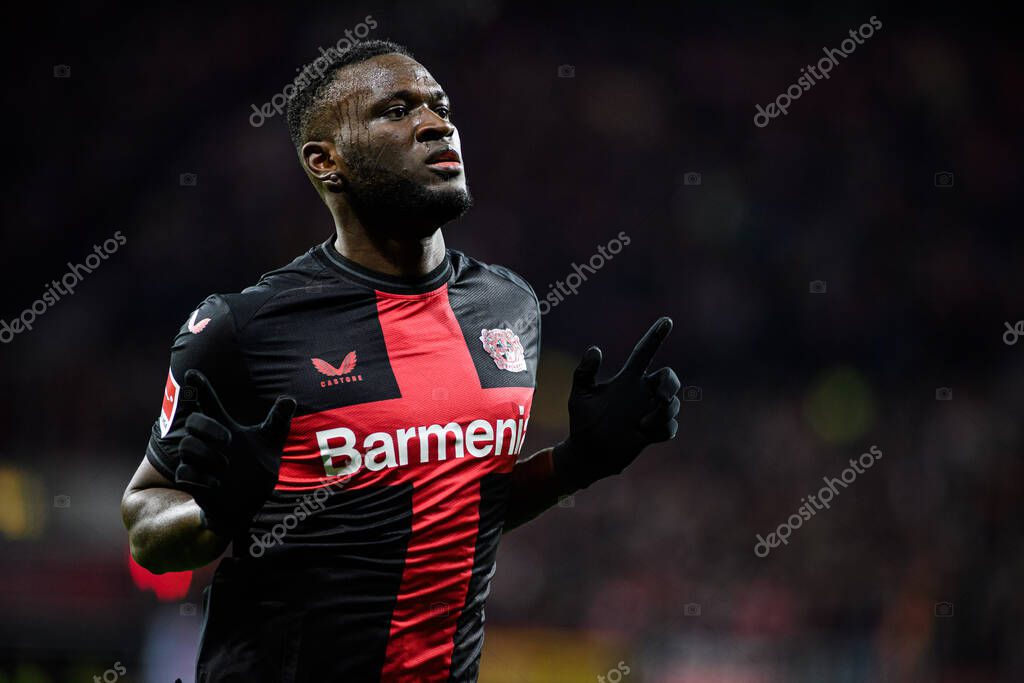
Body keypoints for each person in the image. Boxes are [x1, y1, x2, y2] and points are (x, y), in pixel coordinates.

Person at [121, 39, 680, 682]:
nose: (437, 123)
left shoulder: (509, 306)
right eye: (396, 110)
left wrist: (575, 464)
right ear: (326, 161)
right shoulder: (239, 327)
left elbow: (462, 508)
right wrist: (215, 513)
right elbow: (146, 527)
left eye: (440, 106)